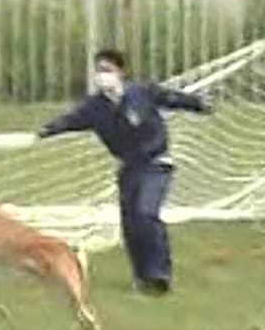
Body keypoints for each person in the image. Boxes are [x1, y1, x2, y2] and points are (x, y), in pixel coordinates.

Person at [38, 48, 213, 294]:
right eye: (99, 71)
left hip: (155, 164)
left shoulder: (141, 92)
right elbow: (69, 121)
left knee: (146, 213)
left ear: (120, 73)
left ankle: (160, 275)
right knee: (131, 224)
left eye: (107, 70)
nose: (102, 76)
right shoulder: (94, 108)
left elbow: (172, 98)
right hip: (128, 168)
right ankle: (142, 277)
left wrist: (199, 104)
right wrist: (47, 130)